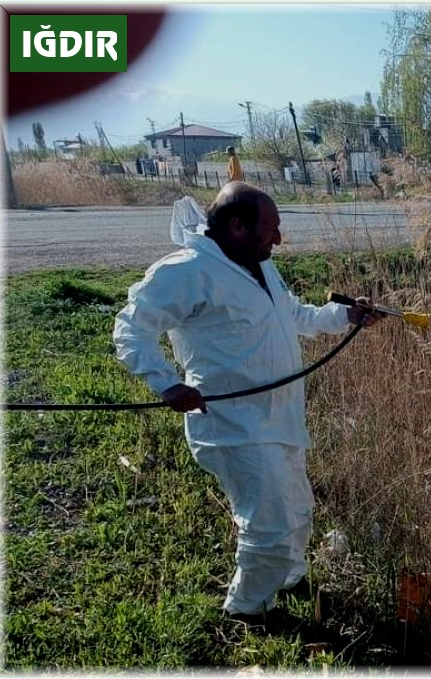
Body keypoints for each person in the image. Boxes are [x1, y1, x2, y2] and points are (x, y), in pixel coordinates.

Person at [112, 182, 382, 625]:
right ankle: (248, 609)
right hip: (233, 426)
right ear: (237, 226)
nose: (278, 238)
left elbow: (293, 315)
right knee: (270, 525)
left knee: (298, 510)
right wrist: (167, 384)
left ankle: (289, 577)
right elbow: (131, 327)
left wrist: (344, 316)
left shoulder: (257, 264)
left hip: (280, 418)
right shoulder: (187, 271)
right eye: (271, 228)